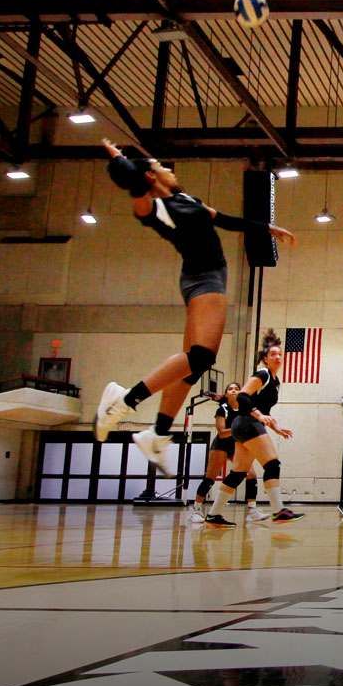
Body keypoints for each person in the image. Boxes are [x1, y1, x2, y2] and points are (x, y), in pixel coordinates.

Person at [91, 141, 295, 474]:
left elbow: (224, 220)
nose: (170, 170)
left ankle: (157, 433)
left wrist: (267, 228)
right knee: (201, 356)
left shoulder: (186, 200)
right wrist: (119, 159)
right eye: (161, 166)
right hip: (204, 279)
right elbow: (134, 183)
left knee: (192, 366)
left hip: (206, 278)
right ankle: (125, 400)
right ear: (150, 176)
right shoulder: (153, 208)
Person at [211, 330, 304, 524]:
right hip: (247, 423)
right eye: (273, 355)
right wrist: (260, 415)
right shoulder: (263, 374)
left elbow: (263, 410)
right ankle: (278, 511)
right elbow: (243, 396)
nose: (278, 357)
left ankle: (213, 515)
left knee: (238, 473)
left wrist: (275, 427)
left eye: (280, 354)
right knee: (272, 464)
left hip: (243, 425)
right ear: (265, 358)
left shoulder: (274, 380)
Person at [190, 380, 242, 527]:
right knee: (210, 478)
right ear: (226, 394)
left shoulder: (245, 410)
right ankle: (196, 510)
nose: (233, 390)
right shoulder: (223, 409)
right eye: (230, 389)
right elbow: (222, 433)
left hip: (235, 445)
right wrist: (239, 430)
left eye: (236, 389)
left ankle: (252, 510)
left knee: (249, 473)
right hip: (221, 444)